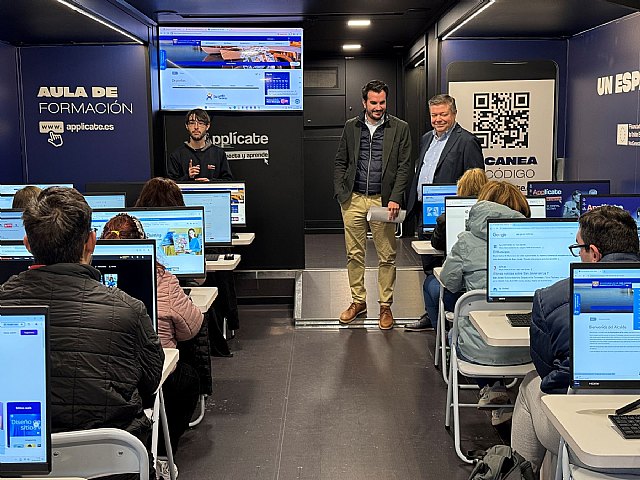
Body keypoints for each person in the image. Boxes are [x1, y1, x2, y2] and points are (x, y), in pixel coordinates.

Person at [0, 187, 164, 479]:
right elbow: (151, 381)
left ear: (26, 243)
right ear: (91, 241)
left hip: (17, 468)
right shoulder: (129, 310)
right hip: (113, 467)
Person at [511, 206, 640, 475]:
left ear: (594, 253)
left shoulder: (551, 298)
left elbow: (551, 377)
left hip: (586, 437)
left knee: (530, 385)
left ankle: (518, 472)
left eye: (578, 248)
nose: (578, 254)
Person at [100, 213, 203, 466]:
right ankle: (162, 455)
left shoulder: (91, 283)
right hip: (148, 382)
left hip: (102, 384)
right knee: (188, 378)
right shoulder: (163, 281)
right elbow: (191, 328)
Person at [432, 180, 532, 425]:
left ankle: (491, 387)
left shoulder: (466, 241)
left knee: (458, 318)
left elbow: (448, 282)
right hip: (529, 354)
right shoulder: (535, 240)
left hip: (478, 353)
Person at [333, 79, 412, 330]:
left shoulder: (400, 128)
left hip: (383, 201)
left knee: (387, 255)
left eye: (382, 102)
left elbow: (404, 166)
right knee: (354, 254)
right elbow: (340, 161)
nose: (378, 107)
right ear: (364, 102)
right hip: (353, 199)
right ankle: (358, 301)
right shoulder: (351, 126)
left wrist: (395, 197)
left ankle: (385, 305)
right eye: (374, 102)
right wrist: (341, 193)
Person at [404, 167, 488, 331]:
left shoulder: (450, 221)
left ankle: (442, 335)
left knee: (431, 282)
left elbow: (447, 276)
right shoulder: (504, 222)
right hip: (497, 299)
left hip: (463, 298)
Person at [406, 93, 485, 225]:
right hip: (423, 211)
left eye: (443, 114)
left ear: (454, 114)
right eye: (434, 115)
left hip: (451, 214)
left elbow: (475, 184)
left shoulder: (468, 141)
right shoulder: (426, 138)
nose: (438, 119)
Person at [166, 108, 233, 182]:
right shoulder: (176, 155)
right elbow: (170, 185)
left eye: (200, 123)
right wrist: (188, 177)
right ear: (186, 126)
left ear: (207, 126)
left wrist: (210, 182)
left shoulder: (219, 153)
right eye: (192, 123)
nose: (196, 127)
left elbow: (228, 181)